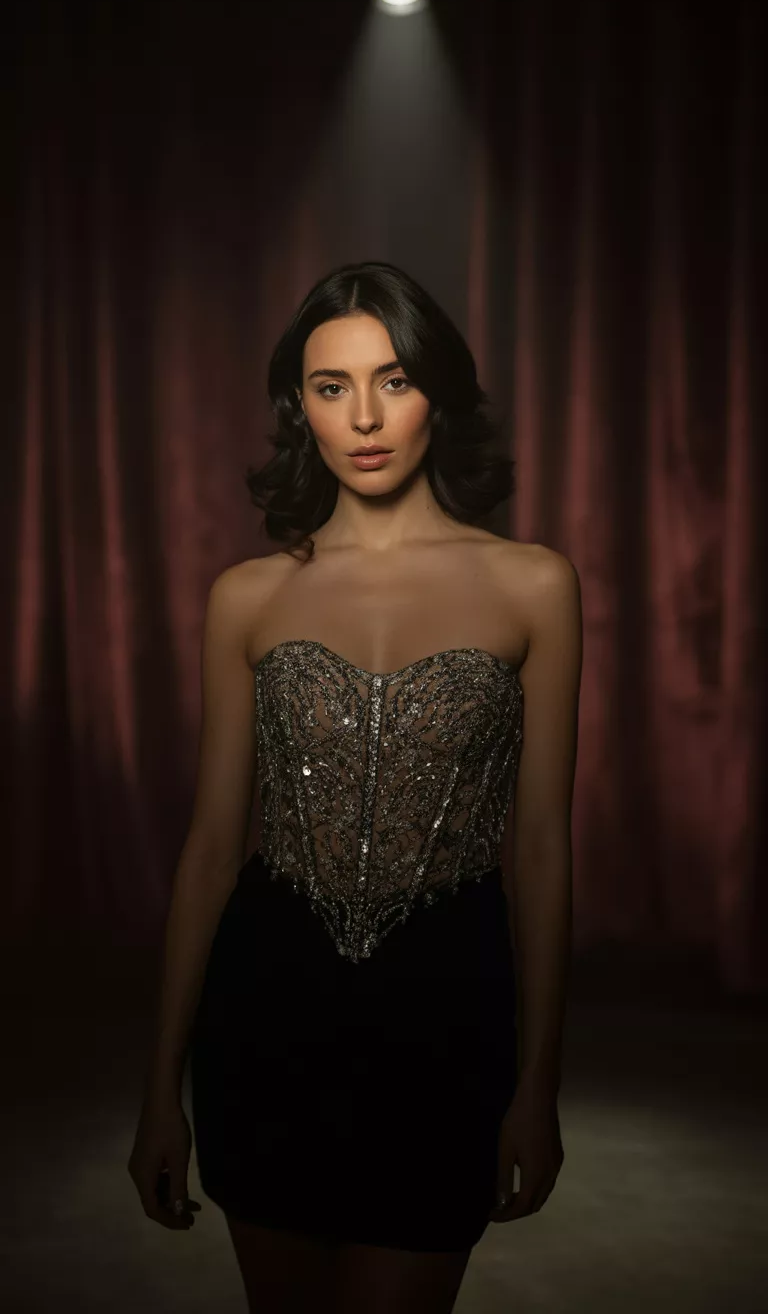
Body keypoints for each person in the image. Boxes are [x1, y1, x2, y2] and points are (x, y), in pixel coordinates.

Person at [128, 261, 582, 1313]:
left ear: (440, 395)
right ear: (301, 408)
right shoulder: (246, 597)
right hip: (267, 1016)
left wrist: (540, 1085)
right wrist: (159, 1093)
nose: (365, 416)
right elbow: (208, 852)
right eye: (332, 388)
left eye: (395, 380)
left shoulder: (533, 585)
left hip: (446, 1022)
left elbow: (546, 850)